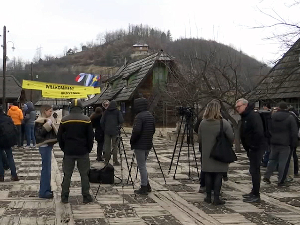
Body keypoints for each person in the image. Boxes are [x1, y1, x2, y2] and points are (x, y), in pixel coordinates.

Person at [57, 99, 94, 204]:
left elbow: (59, 137)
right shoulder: (86, 120)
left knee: (67, 175)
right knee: (84, 174)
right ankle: (86, 196)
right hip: (83, 151)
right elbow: (90, 137)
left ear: (71, 108)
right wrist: (88, 149)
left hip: (69, 151)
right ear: (81, 108)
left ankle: (64, 196)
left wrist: (64, 148)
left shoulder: (65, 120)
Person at [198, 100, 234, 205]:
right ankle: (216, 197)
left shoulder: (203, 123)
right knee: (218, 174)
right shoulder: (224, 123)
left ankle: (208, 197)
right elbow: (231, 137)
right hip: (220, 152)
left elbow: (199, 138)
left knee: (208, 174)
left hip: (206, 153)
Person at [236, 98, 265, 203]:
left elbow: (258, 132)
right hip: (250, 148)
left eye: (239, 107)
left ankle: (256, 194)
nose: (237, 109)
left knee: (255, 170)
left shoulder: (253, 116)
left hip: (256, 148)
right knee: (253, 171)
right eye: (236, 107)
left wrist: (253, 146)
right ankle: (254, 191)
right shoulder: (246, 116)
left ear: (245, 105)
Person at [263, 102, 298, 186]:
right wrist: (294, 144)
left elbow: (269, 129)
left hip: (274, 142)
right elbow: (294, 132)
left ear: (278, 108)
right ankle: (281, 180)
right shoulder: (290, 117)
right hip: (285, 143)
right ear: (286, 108)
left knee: (272, 160)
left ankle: (267, 176)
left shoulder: (273, 116)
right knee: (283, 162)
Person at [130, 98, 155, 195]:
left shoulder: (139, 116)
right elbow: (153, 130)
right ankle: (147, 184)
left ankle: (144, 186)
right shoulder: (150, 115)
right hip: (148, 144)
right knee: (143, 165)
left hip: (140, 145)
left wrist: (132, 141)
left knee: (141, 166)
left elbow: (136, 131)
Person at [35, 105, 58, 199]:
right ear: (44, 111)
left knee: (47, 168)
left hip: (47, 146)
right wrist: (48, 124)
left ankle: (46, 189)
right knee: (46, 169)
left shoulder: (44, 120)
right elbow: (40, 133)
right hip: (44, 146)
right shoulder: (40, 121)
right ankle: (44, 191)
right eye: (49, 111)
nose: (51, 113)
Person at [100, 100, 124, 165]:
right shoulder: (117, 112)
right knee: (115, 146)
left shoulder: (106, 112)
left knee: (107, 146)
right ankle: (115, 161)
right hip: (115, 131)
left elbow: (101, 122)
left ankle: (106, 160)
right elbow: (121, 120)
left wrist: (104, 129)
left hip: (107, 131)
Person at [0, 105, 19, 182]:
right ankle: (14, 175)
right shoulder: (8, 118)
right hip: (8, 140)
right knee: (10, 157)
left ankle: (1, 176)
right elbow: (14, 128)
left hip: (0, 140)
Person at [288, 106, 300, 177]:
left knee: (292, 155)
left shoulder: (291, 117)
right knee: (294, 154)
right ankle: (295, 170)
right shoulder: (296, 117)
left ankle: (293, 171)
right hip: (295, 138)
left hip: (292, 139)